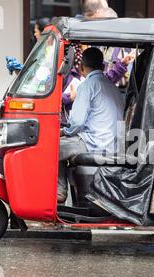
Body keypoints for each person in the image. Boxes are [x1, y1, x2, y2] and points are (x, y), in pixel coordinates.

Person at [57, 48, 124, 203]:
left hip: (94, 143)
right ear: (102, 67)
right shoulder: (113, 87)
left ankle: (60, 191)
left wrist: (64, 131)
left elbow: (77, 123)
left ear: (81, 67)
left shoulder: (87, 86)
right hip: (113, 145)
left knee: (54, 146)